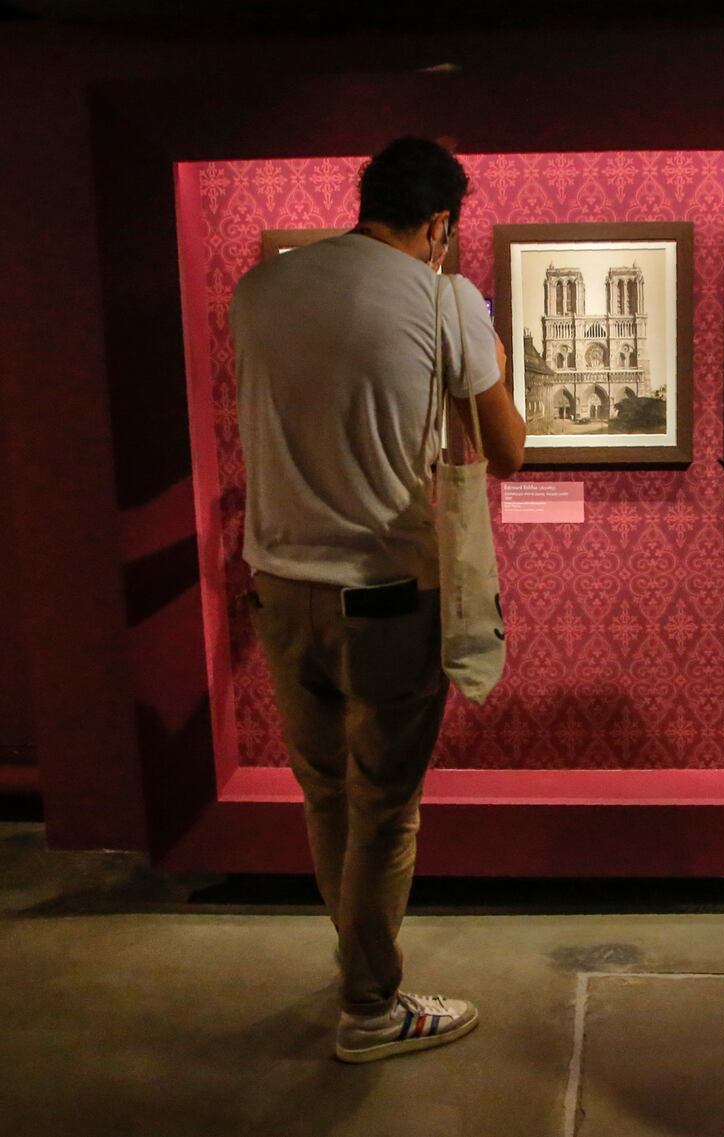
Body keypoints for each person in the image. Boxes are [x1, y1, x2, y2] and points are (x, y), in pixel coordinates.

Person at [230, 137, 524, 1063]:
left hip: (279, 586)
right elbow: (509, 450)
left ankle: (355, 960)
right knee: (386, 805)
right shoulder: (444, 299)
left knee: (324, 792)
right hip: (387, 592)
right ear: (440, 222)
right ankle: (371, 1006)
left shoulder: (262, 289)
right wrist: (497, 361)